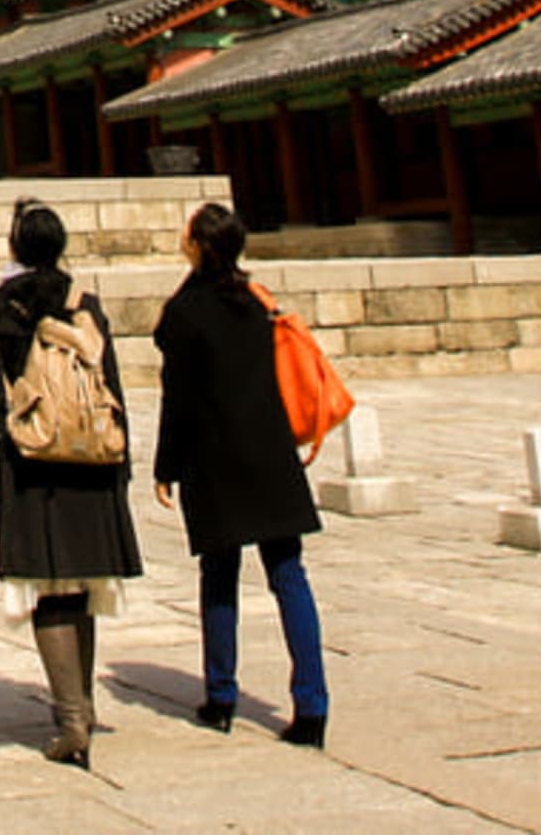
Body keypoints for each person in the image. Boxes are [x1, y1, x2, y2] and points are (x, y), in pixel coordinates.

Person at [0, 198, 143, 766]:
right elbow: (109, 383)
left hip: (32, 455)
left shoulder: (0, 306)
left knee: (46, 582)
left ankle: (70, 721)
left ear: (16, 248)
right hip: (91, 457)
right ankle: (82, 705)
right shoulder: (84, 304)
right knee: (84, 583)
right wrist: (124, 457)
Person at [151, 202, 331, 748]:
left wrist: (165, 466)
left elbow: (176, 399)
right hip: (269, 452)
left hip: (214, 457)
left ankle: (222, 695)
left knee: (220, 576)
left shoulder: (184, 313)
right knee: (289, 575)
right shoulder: (257, 302)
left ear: (198, 246)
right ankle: (312, 704)